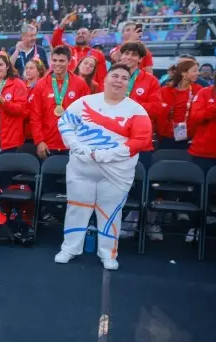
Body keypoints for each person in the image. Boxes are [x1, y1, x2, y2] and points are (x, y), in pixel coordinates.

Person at [54, 64, 152, 270]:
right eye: (114, 76)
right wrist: (75, 145)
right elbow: (65, 123)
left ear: (128, 83)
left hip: (116, 173)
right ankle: (70, 248)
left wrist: (108, 155)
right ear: (105, 79)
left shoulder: (136, 110)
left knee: (110, 213)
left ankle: (108, 253)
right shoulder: (84, 102)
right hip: (81, 169)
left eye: (124, 78)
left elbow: (140, 140)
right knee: (76, 209)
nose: (118, 80)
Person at [30, 46, 90, 160]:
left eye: (62, 61)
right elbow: (35, 116)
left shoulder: (80, 84)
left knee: (72, 177)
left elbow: (86, 115)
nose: (57, 64)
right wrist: (39, 141)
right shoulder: (40, 85)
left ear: (69, 61)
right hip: (48, 144)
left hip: (73, 143)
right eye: (54, 60)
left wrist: (82, 140)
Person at [118, 41, 162, 169]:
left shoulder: (150, 80)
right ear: (121, 56)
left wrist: (132, 104)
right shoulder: (113, 77)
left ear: (141, 59)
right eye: (126, 53)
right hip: (115, 140)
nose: (129, 57)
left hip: (140, 141)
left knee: (139, 182)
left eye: (134, 54)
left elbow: (157, 108)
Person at [0, 52, 27, 157]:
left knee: (6, 169)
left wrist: (4, 102)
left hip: (10, 137)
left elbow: (22, 110)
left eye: (0, 65)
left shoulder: (17, 83)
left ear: (7, 66)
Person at [51, 15, 107, 90]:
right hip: (68, 89)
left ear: (90, 37)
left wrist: (99, 95)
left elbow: (102, 78)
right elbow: (55, 42)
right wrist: (63, 24)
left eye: (83, 33)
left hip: (89, 91)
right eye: (78, 34)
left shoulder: (98, 54)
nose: (80, 35)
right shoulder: (68, 50)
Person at [158, 59, 203, 150]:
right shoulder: (165, 90)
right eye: (194, 71)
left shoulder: (199, 90)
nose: (198, 73)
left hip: (190, 137)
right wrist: (168, 130)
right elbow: (159, 115)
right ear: (184, 73)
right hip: (167, 137)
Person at [188, 85, 216, 175]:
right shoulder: (204, 92)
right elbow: (195, 116)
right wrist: (213, 108)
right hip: (204, 152)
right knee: (201, 187)